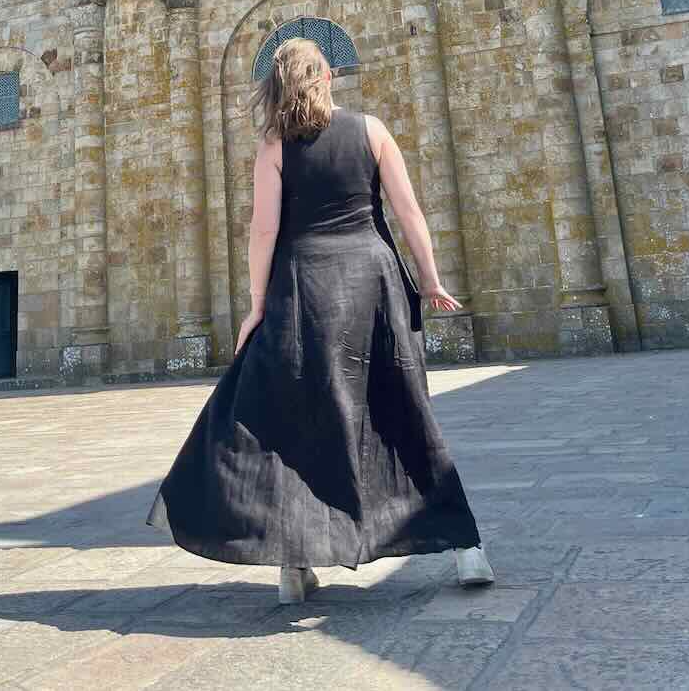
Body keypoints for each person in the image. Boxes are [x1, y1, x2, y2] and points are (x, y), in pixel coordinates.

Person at [146, 36, 494, 605]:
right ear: (328, 77)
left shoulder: (275, 147)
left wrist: (256, 304)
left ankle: (293, 566)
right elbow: (407, 211)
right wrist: (429, 279)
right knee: (405, 411)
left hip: (304, 289)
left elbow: (263, 230)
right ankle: (467, 547)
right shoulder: (372, 130)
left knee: (294, 420)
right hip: (374, 284)